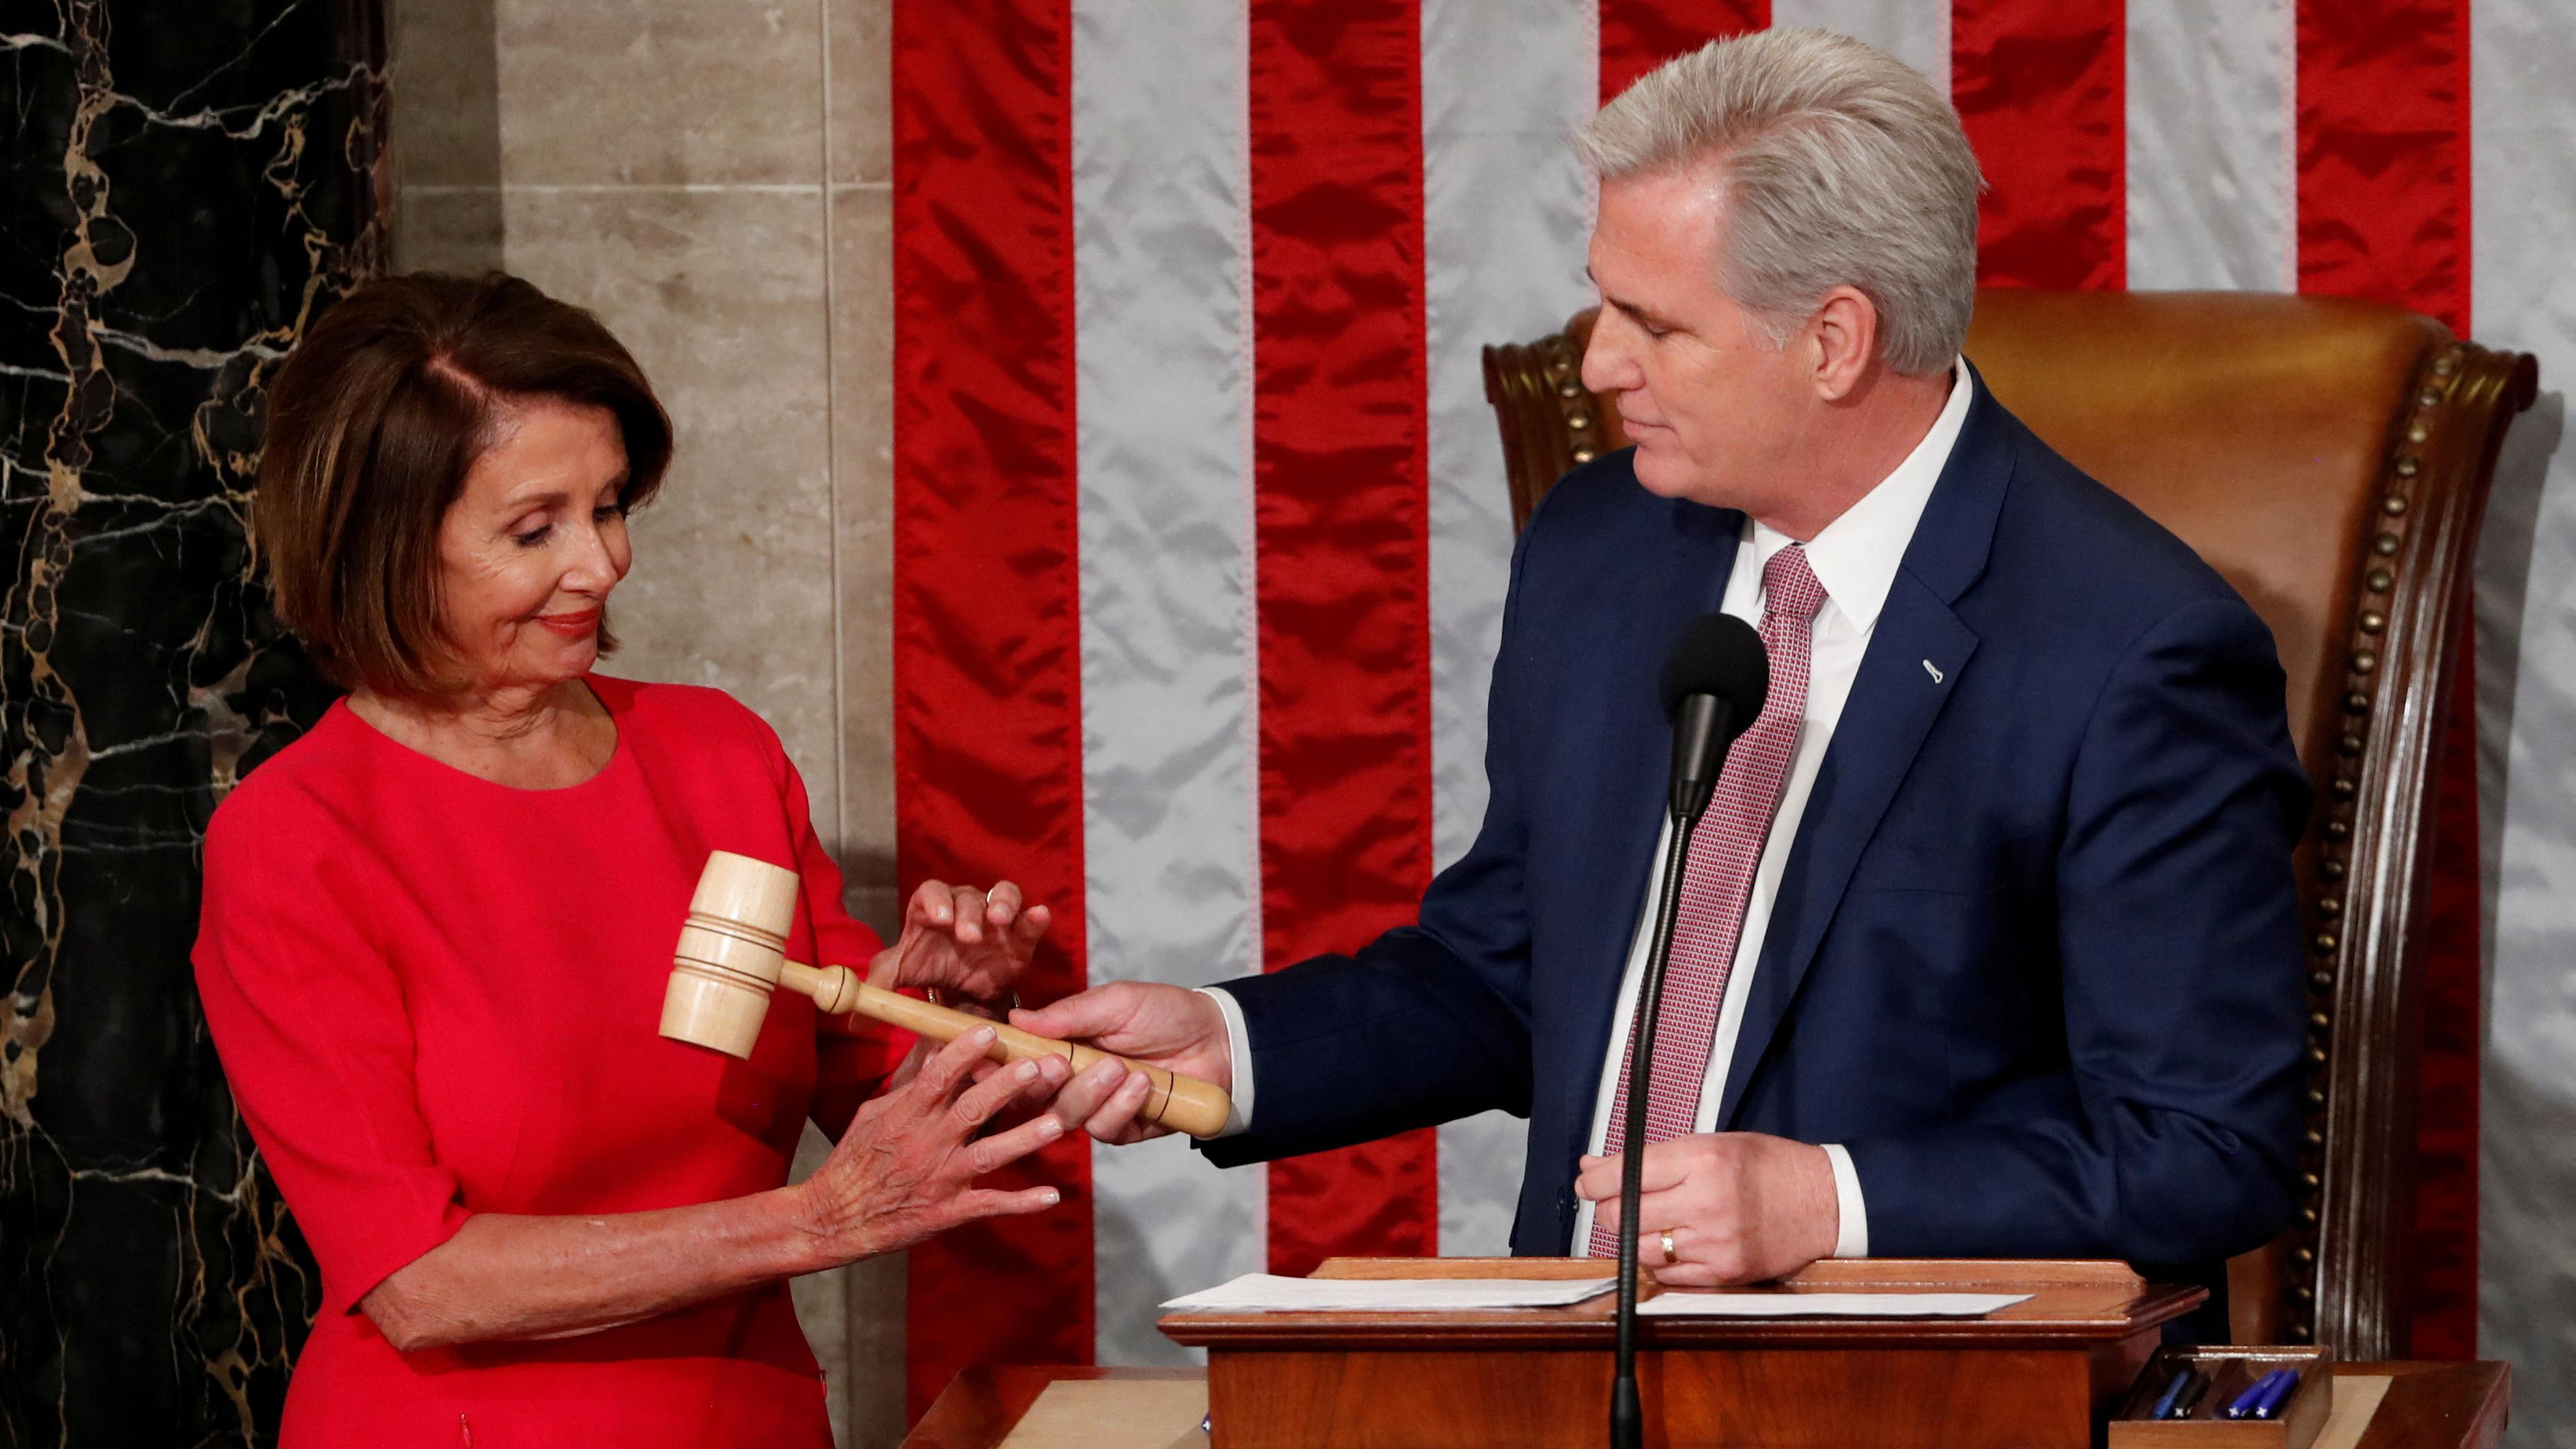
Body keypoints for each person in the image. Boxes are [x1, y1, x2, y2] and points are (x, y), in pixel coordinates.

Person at [1023, 28, 2310, 1328]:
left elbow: (2203, 1149)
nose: (1595, 365)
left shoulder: (2130, 646)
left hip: (1916, 1392)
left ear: (1833, 342)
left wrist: (1824, 1200)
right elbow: (1512, 966)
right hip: (1564, 1361)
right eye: (1604, 301)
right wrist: (1234, 1049)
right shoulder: (1603, 547)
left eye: (1653, 323)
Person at [194, 272, 1128, 1445]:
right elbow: (420, 1284)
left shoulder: (716, 755)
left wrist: (943, 1014)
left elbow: (864, 1091)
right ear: (383, 542)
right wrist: (818, 1223)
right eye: (536, 529)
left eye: (612, 506)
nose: (602, 564)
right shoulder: (297, 841)